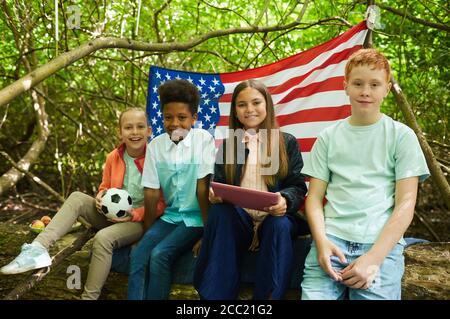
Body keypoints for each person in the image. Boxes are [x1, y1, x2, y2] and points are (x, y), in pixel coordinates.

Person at [300, 48, 430, 300]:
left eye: (374, 84)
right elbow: (314, 198)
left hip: (380, 246)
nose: (365, 91)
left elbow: (406, 202)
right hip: (331, 241)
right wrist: (321, 242)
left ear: (387, 89)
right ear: (346, 86)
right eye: (358, 83)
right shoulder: (328, 137)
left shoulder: (401, 136)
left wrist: (374, 258)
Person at [0, 107, 164, 300]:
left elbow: (162, 204)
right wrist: (100, 197)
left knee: (103, 238)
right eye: (128, 127)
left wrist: (135, 214)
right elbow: (105, 187)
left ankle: (89, 297)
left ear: (149, 131)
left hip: (139, 222)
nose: (135, 132)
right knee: (77, 197)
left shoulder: (157, 160)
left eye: (140, 127)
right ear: (119, 132)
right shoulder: (114, 157)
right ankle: (37, 249)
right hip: (111, 215)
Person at [193, 79, 308, 300]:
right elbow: (219, 182)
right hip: (241, 220)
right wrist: (214, 195)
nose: (249, 110)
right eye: (242, 104)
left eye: (256, 102)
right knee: (220, 212)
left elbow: (297, 186)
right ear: (235, 110)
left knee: (279, 224)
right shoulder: (230, 145)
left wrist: (285, 199)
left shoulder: (286, 142)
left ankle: (267, 299)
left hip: (274, 218)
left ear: (267, 105)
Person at [127, 79, 216, 300]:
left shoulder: (203, 140)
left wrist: (208, 233)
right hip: (170, 217)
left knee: (159, 255)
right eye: (168, 117)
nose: (174, 123)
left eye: (182, 118)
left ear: (194, 118)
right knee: (139, 254)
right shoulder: (156, 146)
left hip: (195, 219)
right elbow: (151, 193)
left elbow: (202, 189)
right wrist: (147, 233)